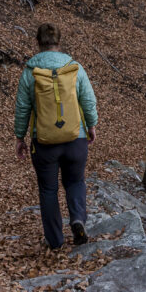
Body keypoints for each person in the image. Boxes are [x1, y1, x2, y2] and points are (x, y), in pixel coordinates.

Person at [14, 22, 98, 249]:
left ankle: (55, 241)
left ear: (38, 42)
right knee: (75, 181)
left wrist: (20, 137)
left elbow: (23, 108)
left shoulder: (30, 72)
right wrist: (91, 125)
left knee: (48, 190)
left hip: (44, 143)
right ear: (59, 42)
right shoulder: (75, 68)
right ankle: (78, 219)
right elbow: (88, 101)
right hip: (75, 138)